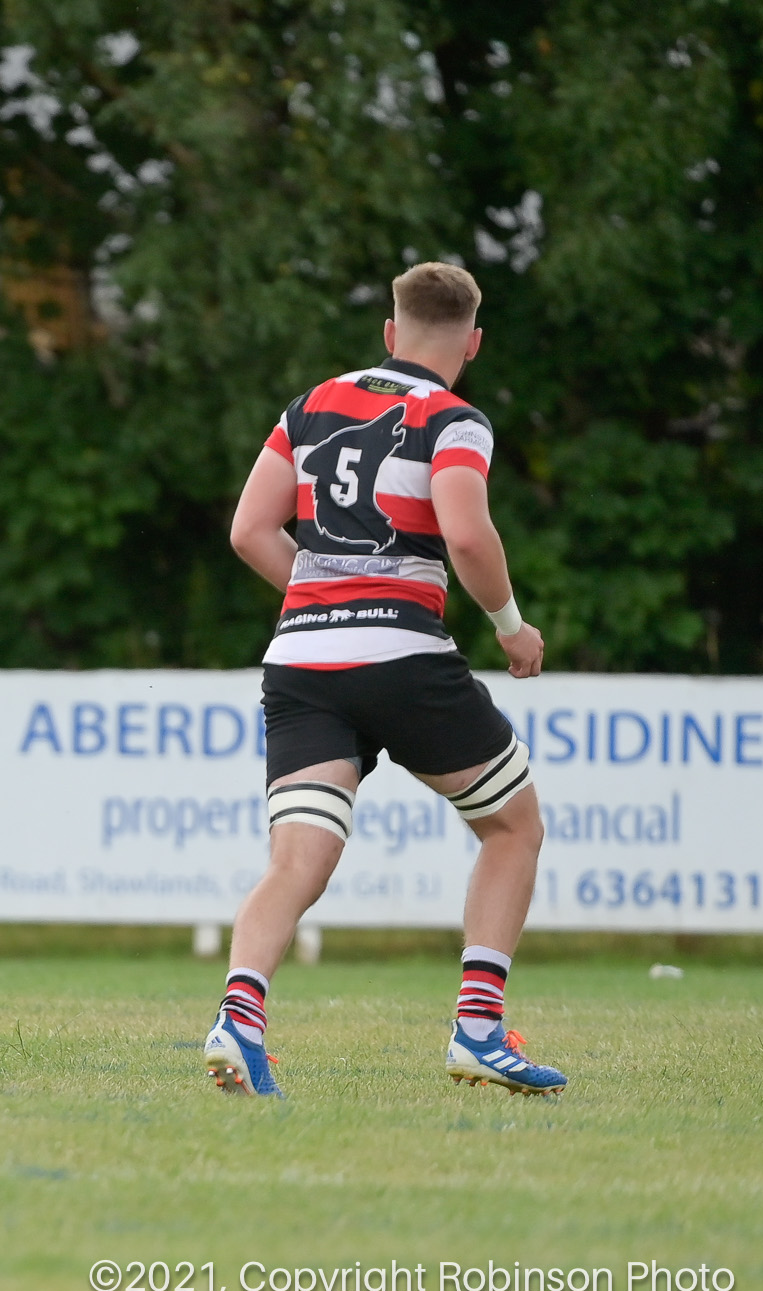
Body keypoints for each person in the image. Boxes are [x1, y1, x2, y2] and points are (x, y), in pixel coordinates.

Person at [210, 261, 564, 1098]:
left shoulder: (311, 405)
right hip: (402, 655)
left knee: (296, 859)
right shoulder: (453, 419)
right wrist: (511, 627)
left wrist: (323, 596)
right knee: (512, 827)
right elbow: (467, 536)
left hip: (301, 664)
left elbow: (249, 529)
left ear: (389, 330)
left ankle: (238, 1021)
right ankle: (479, 1030)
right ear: (472, 344)